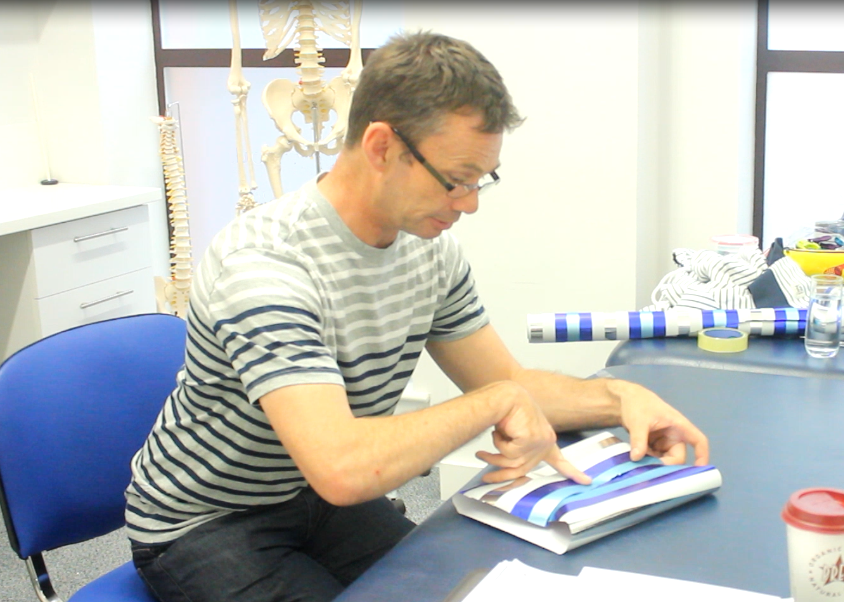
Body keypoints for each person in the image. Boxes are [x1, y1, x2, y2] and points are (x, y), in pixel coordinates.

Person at [125, 31, 710, 602]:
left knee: (462, 589)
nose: (471, 203)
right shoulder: (264, 264)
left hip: (317, 502)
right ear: (382, 147)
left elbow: (512, 384)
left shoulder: (429, 250)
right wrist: (494, 402)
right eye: (456, 181)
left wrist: (620, 399)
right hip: (209, 520)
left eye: (482, 181)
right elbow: (343, 466)